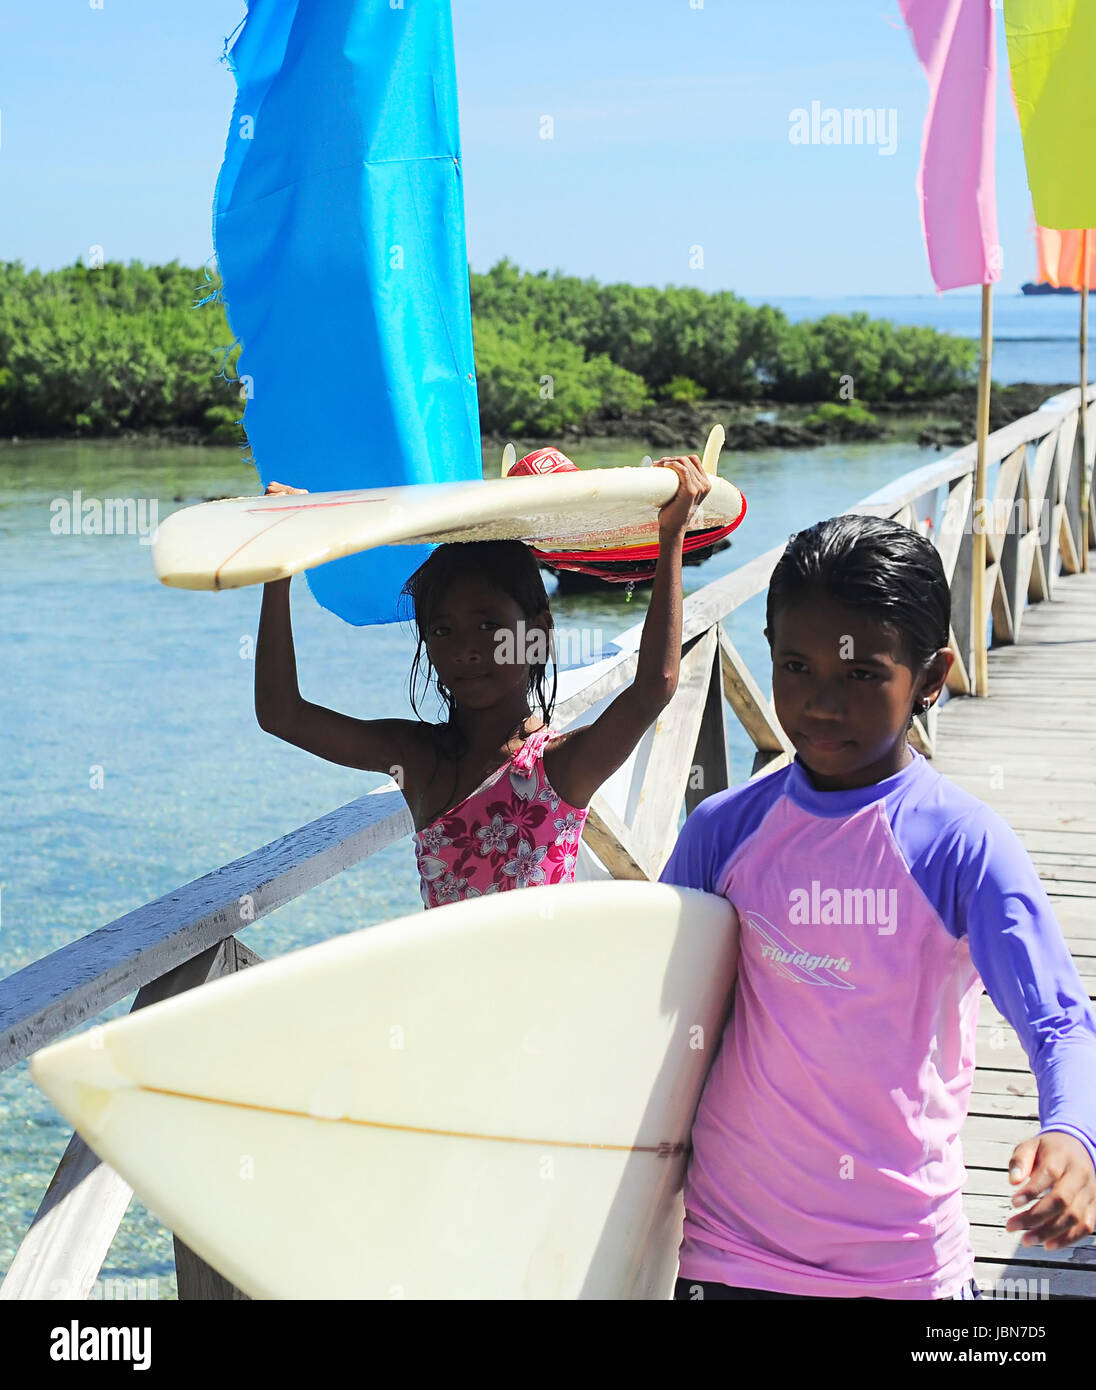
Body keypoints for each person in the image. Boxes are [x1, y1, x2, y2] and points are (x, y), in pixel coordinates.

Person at [660, 513, 1096, 1300]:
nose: (822, 705)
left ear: (931, 678)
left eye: (862, 675)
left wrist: (1073, 1135)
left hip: (902, 1267)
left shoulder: (962, 845)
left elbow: (1061, 1022)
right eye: (796, 665)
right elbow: (646, 1012)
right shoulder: (722, 831)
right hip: (728, 1250)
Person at [255, 452, 711, 908]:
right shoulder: (416, 756)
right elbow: (282, 714)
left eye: (489, 626)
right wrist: (278, 568)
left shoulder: (560, 767)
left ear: (539, 633)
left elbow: (657, 683)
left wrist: (671, 537)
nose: (465, 649)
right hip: (447, 981)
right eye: (442, 630)